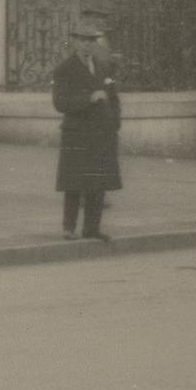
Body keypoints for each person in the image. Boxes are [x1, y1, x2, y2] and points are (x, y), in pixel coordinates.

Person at [52, 21, 120, 241]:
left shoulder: (103, 67)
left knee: (97, 181)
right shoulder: (64, 69)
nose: (87, 45)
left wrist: (114, 122)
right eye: (82, 40)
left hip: (101, 131)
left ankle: (92, 227)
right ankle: (69, 228)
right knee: (74, 181)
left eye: (91, 40)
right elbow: (60, 102)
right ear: (74, 41)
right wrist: (88, 99)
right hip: (77, 132)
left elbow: (113, 96)